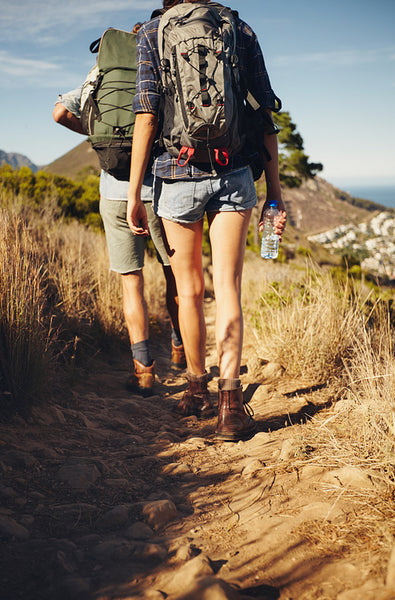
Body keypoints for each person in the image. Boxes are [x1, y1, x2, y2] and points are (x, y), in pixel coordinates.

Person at [127, 0, 286, 439]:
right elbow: (264, 113)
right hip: (234, 172)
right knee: (229, 288)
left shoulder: (152, 33)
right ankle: (230, 406)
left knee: (190, 291)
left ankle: (196, 387)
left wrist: (133, 192)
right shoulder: (239, 28)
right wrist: (274, 193)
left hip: (175, 175)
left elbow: (146, 112)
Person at [53, 23, 186, 396]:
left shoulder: (101, 73)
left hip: (114, 191)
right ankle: (180, 347)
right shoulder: (162, 65)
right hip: (162, 191)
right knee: (175, 274)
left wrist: (95, 132)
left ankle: (144, 370)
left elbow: (60, 113)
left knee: (132, 283)